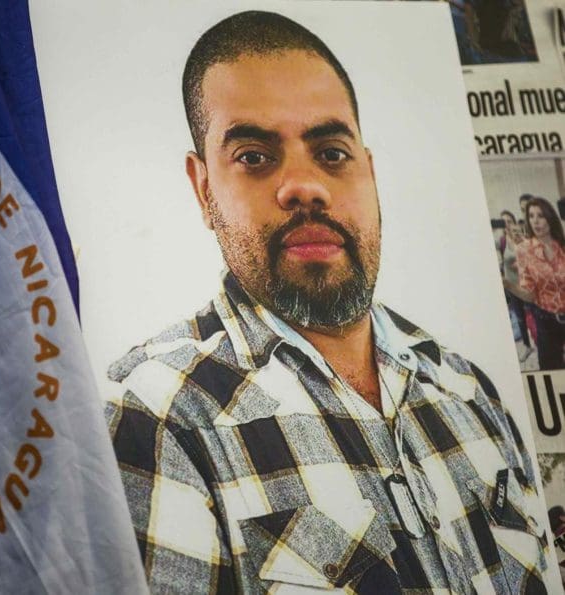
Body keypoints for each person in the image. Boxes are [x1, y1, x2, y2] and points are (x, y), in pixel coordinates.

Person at [105, 10, 547, 593]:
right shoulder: (154, 415)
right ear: (204, 189)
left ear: (369, 171)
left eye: (332, 152)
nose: (305, 185)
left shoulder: (471, 391)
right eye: (255, 156)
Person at [509, 197, 565, 370]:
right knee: (553, 373)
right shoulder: (525, 250)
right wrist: (507, 284)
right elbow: (530, 294)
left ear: (550, 218)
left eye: (540, 215)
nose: (535, 220)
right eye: (531, 216)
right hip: (546, 320)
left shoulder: (562, 246)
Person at [500, 209, 533, 361]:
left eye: (509, 220)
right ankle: (527, 346)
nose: (506, 224)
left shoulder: (521, 237)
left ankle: (541, 342)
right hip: (511, 287)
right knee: (519, 318)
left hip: (526, 286)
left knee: (534, 315)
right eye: (503, 222)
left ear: (513, 222)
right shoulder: (500, 241)